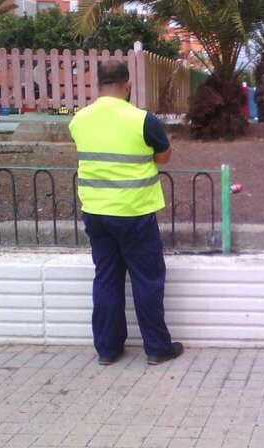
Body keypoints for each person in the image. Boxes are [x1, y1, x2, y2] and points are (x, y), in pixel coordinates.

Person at [69, 60, 184, 366]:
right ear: (128, 84)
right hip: (134, 212)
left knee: (106, 277)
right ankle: (157, 348)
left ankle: (107, 349)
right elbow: (164, 157)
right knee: (147, 279)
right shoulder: (142, 119)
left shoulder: (79, 120)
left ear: (97, 85)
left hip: (95, 211)